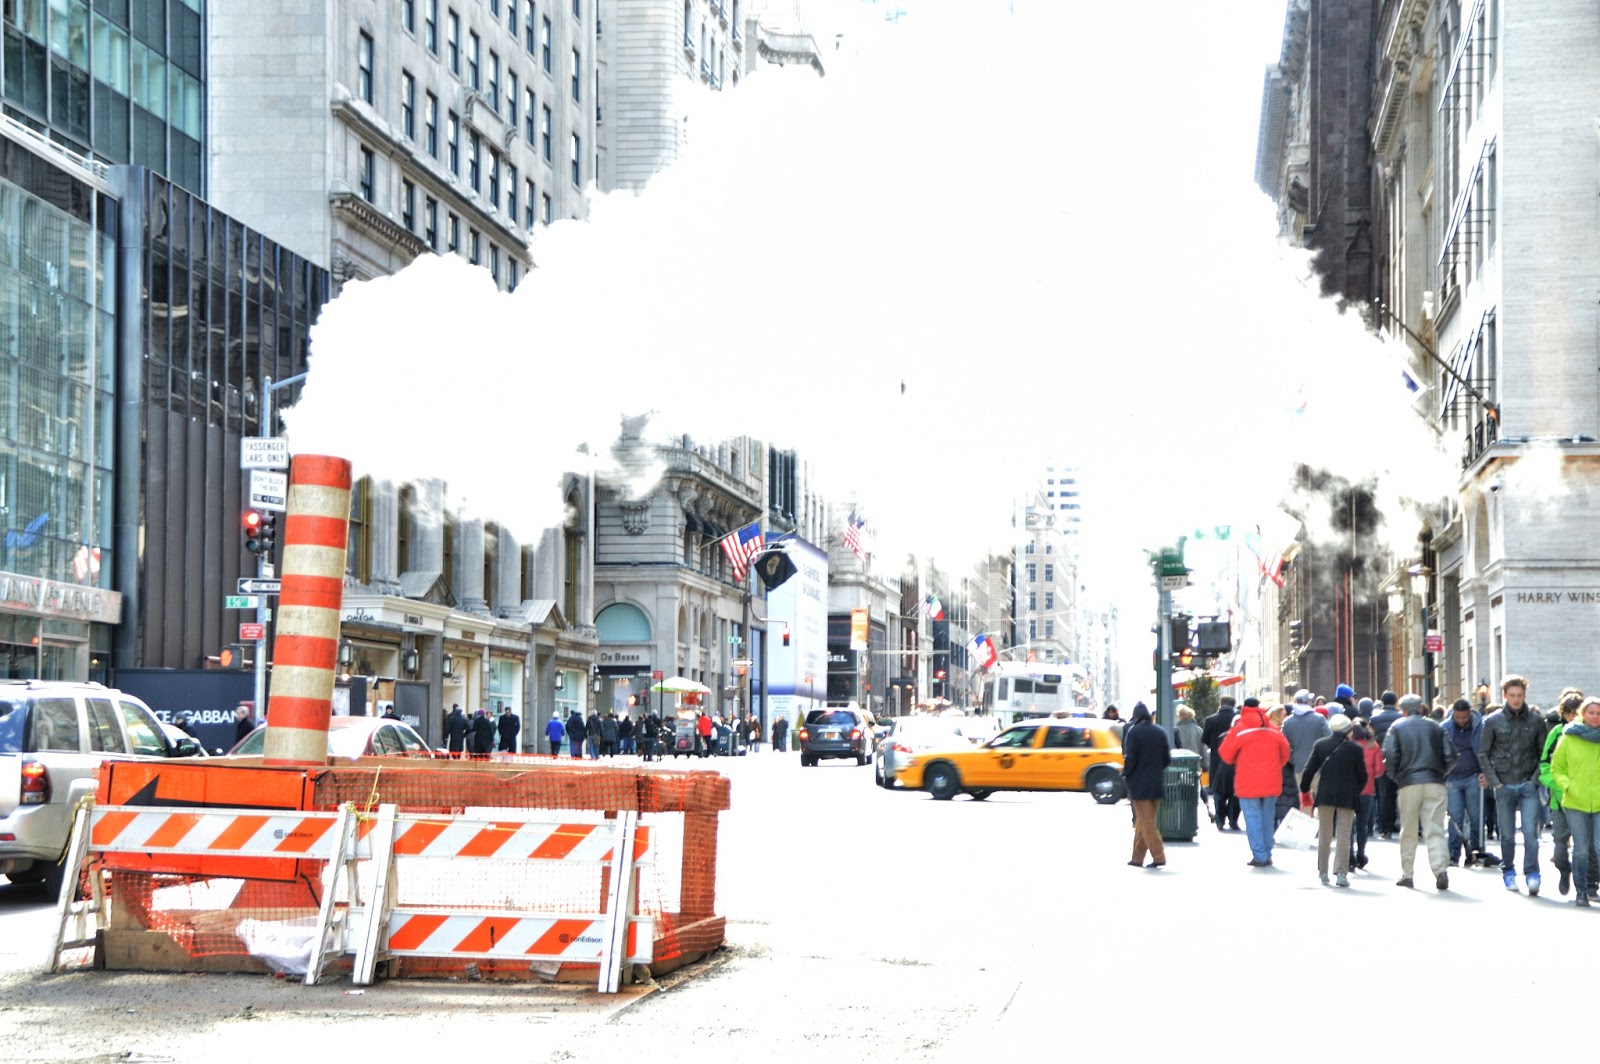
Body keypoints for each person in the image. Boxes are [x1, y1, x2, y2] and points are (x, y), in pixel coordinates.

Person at [1478, 674, 1548, 894]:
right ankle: (1508, 870)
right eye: (1512, 695)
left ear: (1525, 695)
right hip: (1504, 784)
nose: (1516, 699)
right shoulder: (1493, 721)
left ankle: (1532, 872)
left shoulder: (1536, 721)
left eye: (1519, 695)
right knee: (1507, 835)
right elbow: (1483, 753)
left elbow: (1544, 754)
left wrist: (1534, 781)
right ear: (1505, 695)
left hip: (1528, 784)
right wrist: (1495, 782)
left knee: (1531, 834)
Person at [1383, 693, 1456, 891]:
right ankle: (1440, 870)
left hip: (1408, 782)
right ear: (1421, 707)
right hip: (1434, 781)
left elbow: (1390, 755)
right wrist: (1440, 773)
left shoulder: (1397, 727)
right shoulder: (1435, 726)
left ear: (1403, 710)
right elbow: (1451, 756)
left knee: (1408, 829)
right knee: (1435, 829)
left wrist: (1396, 776)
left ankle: (1407, 874)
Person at [1219, 698, 1292, 868]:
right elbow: (1285, 753)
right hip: (1272, 779)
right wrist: (1274, 766)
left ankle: (1259, 855)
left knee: (1252, 818)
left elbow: (1226, 755)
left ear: (1244, 709)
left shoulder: (1239, 730)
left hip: (1247, 780)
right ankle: (1267, 852)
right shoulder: (1273, 729)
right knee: (1268, 817)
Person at [1298, 713, 1367, 888]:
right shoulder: (1355, 749)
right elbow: (1363, 776)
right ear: (1348, 730)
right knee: (1344, 834)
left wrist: (1305, 789)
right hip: (1348, 795)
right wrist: (1356, 790)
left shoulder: (1320, 745)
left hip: (1325, 793)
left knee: (1325, 833)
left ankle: (1323, 872)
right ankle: (1341, 872)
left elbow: (1309, 770)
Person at [1541, 690, 1596, 897]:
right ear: (1563, 714)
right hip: (1560, 800)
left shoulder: (1592, 733)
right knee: (1561, 845)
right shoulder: (1558, 733)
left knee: (1589, 847)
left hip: (1587, 800)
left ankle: (1589, 885)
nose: (1572, 717)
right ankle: (1564, 870)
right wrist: (1561, 786)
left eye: (1575, 713)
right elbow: (1546, 765)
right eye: (1568, 713)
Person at [1121, 703, 1170, 869]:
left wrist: (1126, 773)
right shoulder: (1160, 731)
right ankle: (1137, 857)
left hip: (1139, 784)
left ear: (1136, 717)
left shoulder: (1133, 732)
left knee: (1147, 822)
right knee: (1143, 821)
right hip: (1157, 783)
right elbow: (1167, 759)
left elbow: (1130, 758)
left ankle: (1159, 857)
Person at [1441, 697, 1484, 866]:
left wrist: (1485, 772)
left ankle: (1475, 852)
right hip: (1452, 778)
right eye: (1457, 717)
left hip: (1474, 776)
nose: (1461, 720)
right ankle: (1453, 854)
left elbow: (1485, 751)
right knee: (1455, 818)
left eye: (1464, 717)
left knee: (1476, 817)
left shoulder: (1480, 727)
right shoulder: (1445, 728)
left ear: (1469, 713)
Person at [1368, 691, 1403, 836]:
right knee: (1400, 793)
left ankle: (1385, 828)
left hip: (1381, 759)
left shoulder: (1374, 719)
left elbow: (1371, 739)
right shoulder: (1401, 718)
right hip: (1400, 760)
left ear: (1382, 702)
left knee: (1384, 794)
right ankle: (1400, 824)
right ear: (1395, 702)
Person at [1201, 697, 1238, 831]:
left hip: (1217, 759)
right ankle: (1233, 820)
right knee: (1235, 791)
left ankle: (1220, 819)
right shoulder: (1237, 719)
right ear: (1233, 705)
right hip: (1235, 761)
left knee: (1218, 791)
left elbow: (1205, 740)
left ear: (1220, 704)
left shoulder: (1210, 720)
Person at [1349, 722, 1382, 870]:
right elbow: (1379, 770)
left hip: (1349, 789)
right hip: (1367, 789)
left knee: (1348, 825)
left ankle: (1349, 855)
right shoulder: (1373, 745)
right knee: (1362, 825)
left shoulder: (1346, 744)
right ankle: (1361, 854)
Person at [1283, 690, 1331, 777]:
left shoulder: (1287, 722)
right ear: (1308, 702)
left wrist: (1292, 759)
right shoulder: (1319, 719)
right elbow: (1330, 739)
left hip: (1298, 766)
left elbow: (1283, 746)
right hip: (1318, 767)